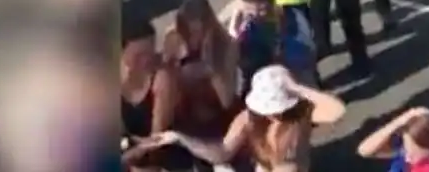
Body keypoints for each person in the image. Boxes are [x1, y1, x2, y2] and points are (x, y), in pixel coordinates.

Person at [145, 65, 346, 172]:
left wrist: (296, 88)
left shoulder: (301, 114)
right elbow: (223, 152)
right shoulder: (249, 119)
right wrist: (180, 138)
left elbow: (337, 111)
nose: (273, 115)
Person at [161, 0, 242, 139]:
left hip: (216, 115)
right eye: (188, 32)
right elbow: (164, 81)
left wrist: (210, 64)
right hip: (182, 112)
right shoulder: (174, 38)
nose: (194, 38)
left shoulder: (228, 45)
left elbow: (226, 100)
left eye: (199, 32)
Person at [226, 0, 318, 89]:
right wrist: (234, 25)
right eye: (249, 10)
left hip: (293, 76)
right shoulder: (246, 24)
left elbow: (306, 54)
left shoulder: (292, 20)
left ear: (271, 1)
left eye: (261, 10)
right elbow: (232, 53)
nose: (255, 15)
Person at [120, 20, 184, 171]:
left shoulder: (162, 78)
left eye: (150, 51)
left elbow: (158, 139)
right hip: (129, 155)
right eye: (139, 55)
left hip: (162, 155)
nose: (147, 59)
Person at [357, 107, 429, 171]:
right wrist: (401, 121)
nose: (406, 158)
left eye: (412, 154)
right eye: (405, 149)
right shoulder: (408, 148)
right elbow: (364, 150)